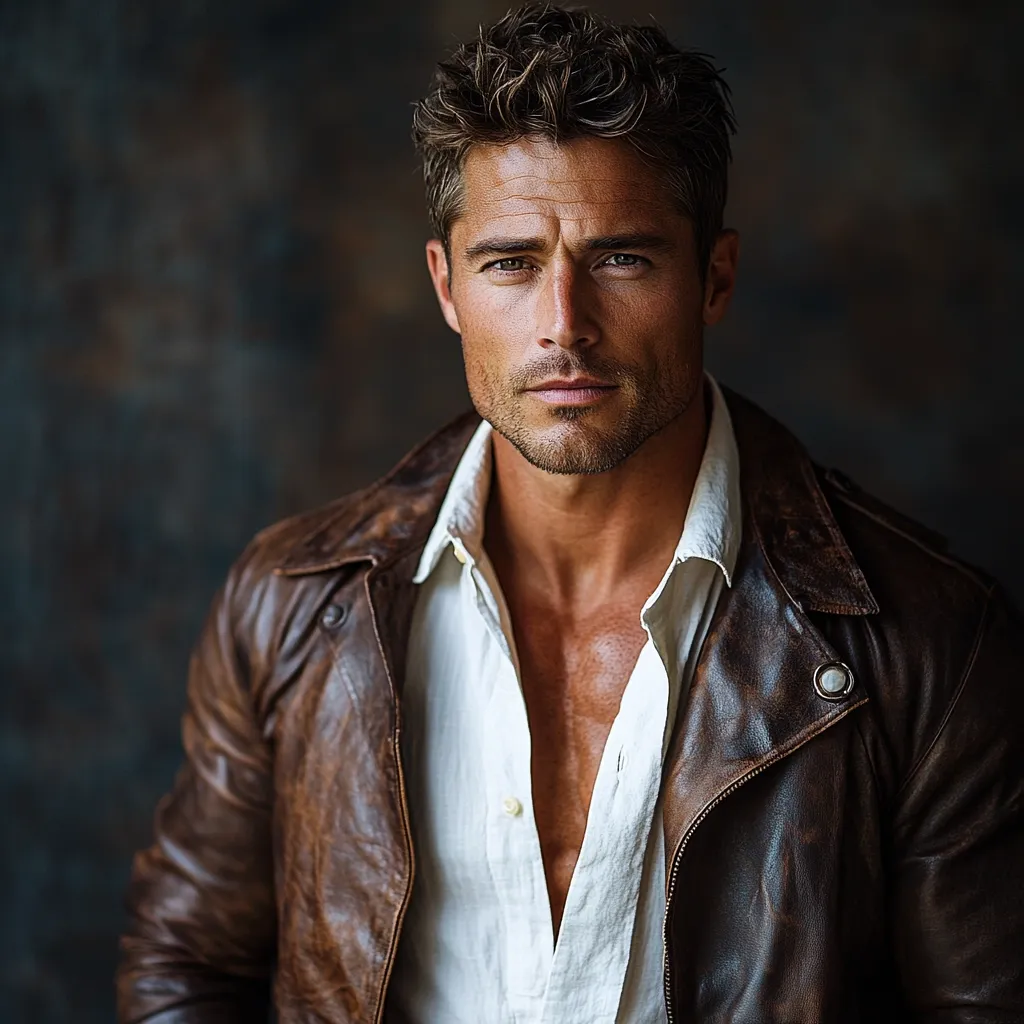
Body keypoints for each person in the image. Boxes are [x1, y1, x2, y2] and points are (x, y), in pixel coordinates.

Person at [117, 5, 1024, 1022]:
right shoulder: (287, 607)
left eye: (622, 258)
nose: (564, 327)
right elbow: (185, 968)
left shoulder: (927, 640)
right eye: (510, 262)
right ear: (446, 285)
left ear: (712, 277)